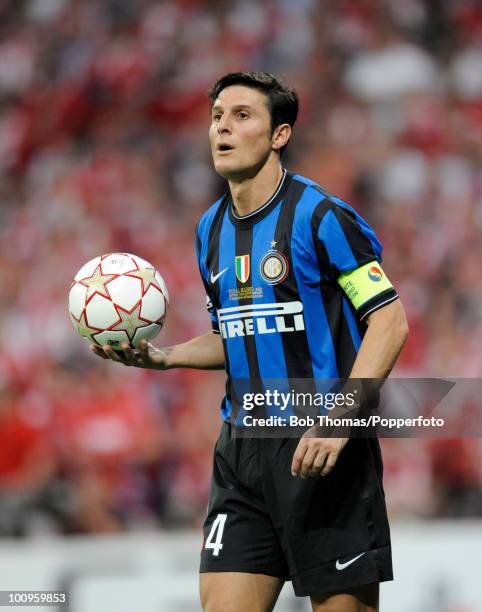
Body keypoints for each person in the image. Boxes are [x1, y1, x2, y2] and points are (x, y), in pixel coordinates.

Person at [91, 71, 408, 612]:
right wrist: (164, 357)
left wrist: (338, 421)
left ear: (279, 134)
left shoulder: (322, 217)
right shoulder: (209, 230)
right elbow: (233, 334)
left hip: (321, 450)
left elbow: (390, 321)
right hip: (240, 455)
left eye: (242, 116)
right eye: (217, 116)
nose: (223, 127)